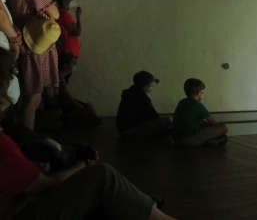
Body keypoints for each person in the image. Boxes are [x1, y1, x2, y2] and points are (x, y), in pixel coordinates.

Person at [0, 47, 176, 220]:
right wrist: (83, 165)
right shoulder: (3, 145)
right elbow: (46, 184)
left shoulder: (129, 93)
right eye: (10, 74)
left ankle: (138, 203)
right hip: (19, 210)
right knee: (104, 177)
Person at [0, 0, 60, 130]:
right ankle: (28, 141)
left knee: (20, 97)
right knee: (32, 99)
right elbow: (53, 12)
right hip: (34, 43)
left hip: (18, 40)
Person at [173, 78, 228, 147]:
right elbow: (214, 123)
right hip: (188, 139)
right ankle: (210, 141)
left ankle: (212, 141)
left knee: (204, 124)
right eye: (202, 92)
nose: (202, 94)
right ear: (199, 93)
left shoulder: (182, 102)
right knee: (223, 127)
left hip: (176, 138)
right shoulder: (197, 105)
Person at [117, 71, 171, 137]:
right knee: (167, 121)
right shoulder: (142, 97)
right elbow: (154, 116)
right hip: (131, 130)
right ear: (145, 85)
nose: (152, 87)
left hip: (122, 129)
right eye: (151, 85)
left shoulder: (129, 92)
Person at [55, 0, 81, 86]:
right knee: (61, 82)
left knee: (61, 80)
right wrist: (78, 16)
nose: (73, 3)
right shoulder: (64, 15)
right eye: (71, 0)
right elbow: (76, 32)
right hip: (68, 54)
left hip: (67, 53)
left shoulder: (58, 13)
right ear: (64, 0)